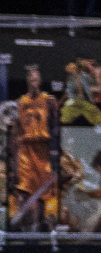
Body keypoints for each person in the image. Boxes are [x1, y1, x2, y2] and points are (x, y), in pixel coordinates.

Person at [7, 64, 60, 229]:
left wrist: (56, 151)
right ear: (27, 81)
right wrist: (13, 156)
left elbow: (56, 127)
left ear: (40, 81)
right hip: (25, 149)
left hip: (42, 149)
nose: (34, 82)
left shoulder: (48, 101)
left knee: (43, 189)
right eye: (31, 79)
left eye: (36, 79)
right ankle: (25, 225)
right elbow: (16, 131)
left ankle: (41, 224)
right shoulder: (21, 102)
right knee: (24, 188)